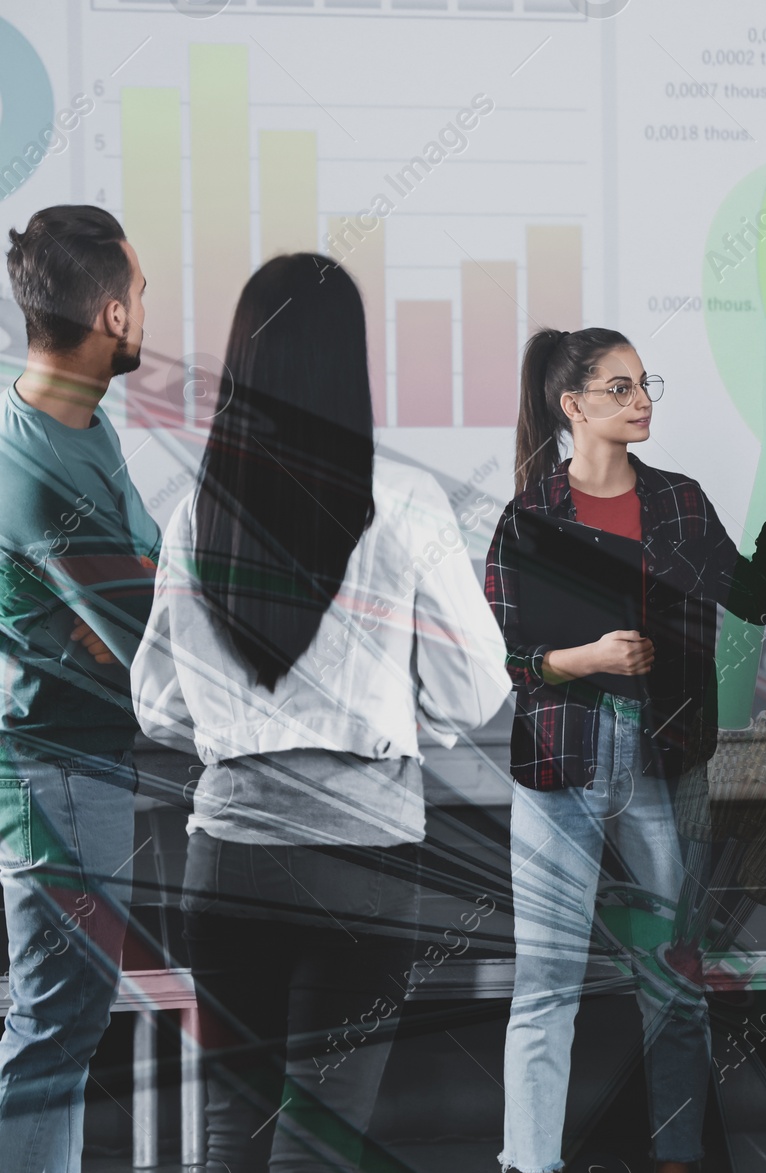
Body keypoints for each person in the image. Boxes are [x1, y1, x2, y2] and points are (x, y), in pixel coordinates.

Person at [130, 253, 509, 1172]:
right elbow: (477, 684)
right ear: (352, 362)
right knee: (318, 1141)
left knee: (233, 1136)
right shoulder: (407, 503)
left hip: (225, 861)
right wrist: (390, 722)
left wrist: (241, 730)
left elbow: (158, 700)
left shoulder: (194, 512)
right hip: (363, 866)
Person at [485, 327, 766, 1173]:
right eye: (621, 388)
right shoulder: (530, 515)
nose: (642, 402)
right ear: (573, 407)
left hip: (660, 762)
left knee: (673, 986)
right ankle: (529, 1164)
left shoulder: (677, 501)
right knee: (546, 989)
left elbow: (752, 597)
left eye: (644, 385)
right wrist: (586, 659)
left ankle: (677, 1157)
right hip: (559, 767)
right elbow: (508, 660)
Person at [0, 206, 158, 1173]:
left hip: (78, 766)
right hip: (60, 775)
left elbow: (134, 608)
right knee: (57, 1027)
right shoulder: (43, 468)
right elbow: (149, 637)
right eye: (140, 298)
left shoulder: (74, 423)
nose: (145, 313)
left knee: (62, 1028)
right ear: (108, 313)